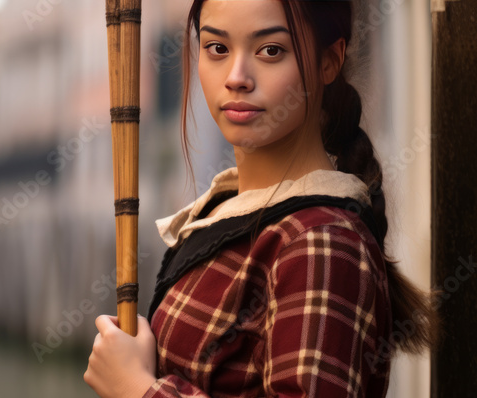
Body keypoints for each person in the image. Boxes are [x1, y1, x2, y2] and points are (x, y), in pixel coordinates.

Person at [83, 0, 439, 397]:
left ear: (329, 61)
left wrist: (136, 388)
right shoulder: (234, 213)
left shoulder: (319, 241)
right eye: (217, 48)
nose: (236, 77)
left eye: (271, 51)